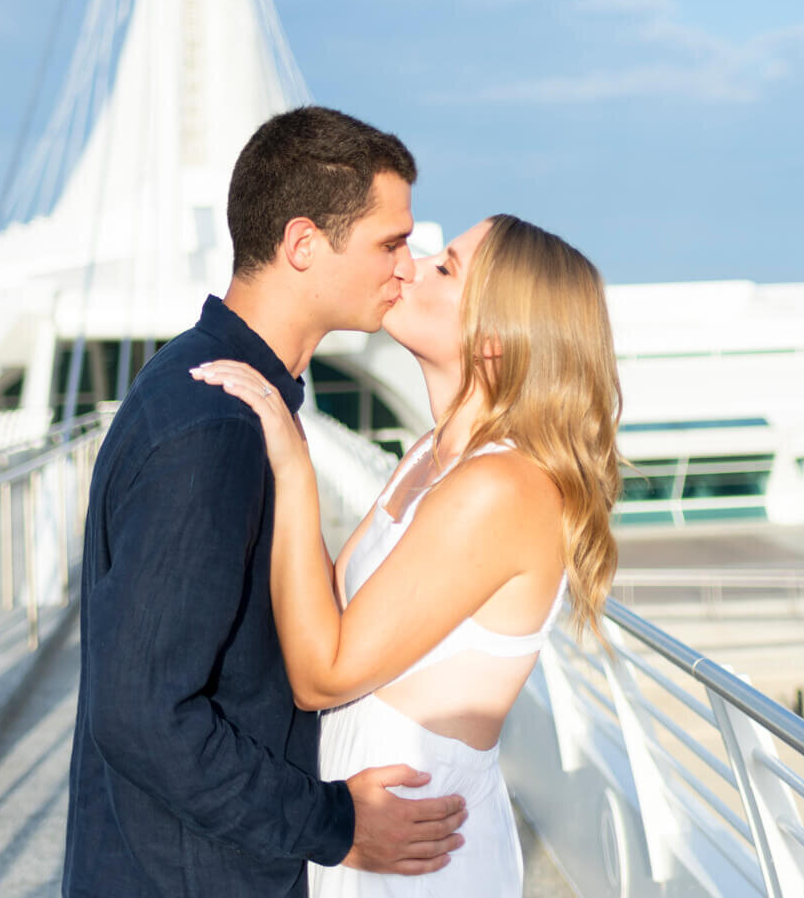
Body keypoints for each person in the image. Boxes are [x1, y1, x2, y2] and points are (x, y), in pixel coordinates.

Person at [62, 106, 468, 898]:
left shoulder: (223, 395)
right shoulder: (212, 424)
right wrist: (336, 826)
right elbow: (142, 714)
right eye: (390, 241)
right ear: (303, 244)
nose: (406, 267)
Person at [193, 214, 623, 896]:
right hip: (365, 829)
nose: (408, 266)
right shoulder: (430, 456)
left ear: (494, 340)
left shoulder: (499, 486)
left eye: (444, 267)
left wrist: (293, 465)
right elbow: (327, 609)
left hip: (423, 852)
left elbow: (322, 673)